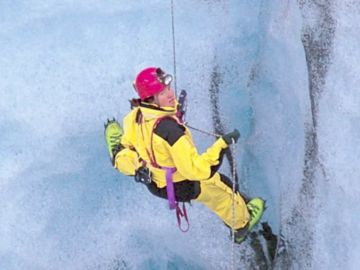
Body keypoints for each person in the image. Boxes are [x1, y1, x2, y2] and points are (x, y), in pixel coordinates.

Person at [104, 67, 264, 243]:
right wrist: (222, 144)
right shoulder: (171, 132)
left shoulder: (136, 116)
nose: (171, 94)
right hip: (181, 185)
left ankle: (118, 154)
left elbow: (151, 135)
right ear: (151, 99)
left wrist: (172, 113)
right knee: (220, 189)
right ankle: (241, 225)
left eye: (168, 89)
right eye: (163, 93)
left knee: (129, 152)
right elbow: (196, 170)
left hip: (155, 181)